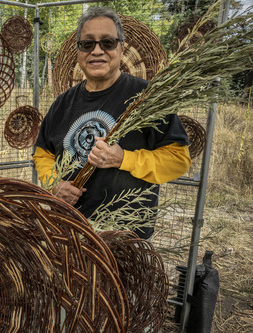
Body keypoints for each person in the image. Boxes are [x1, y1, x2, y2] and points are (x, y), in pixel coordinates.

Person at [33, 7, 191, 239]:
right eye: (87, 44)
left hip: (125, 237)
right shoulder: (63, 103)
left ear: (121, 48)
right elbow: (42, 152)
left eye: (107, 42)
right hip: (73, 231)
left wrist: (123, 159)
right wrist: (54, 184)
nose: (97, 51)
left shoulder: (146, 98)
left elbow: (179, 160)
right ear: (78, 51)